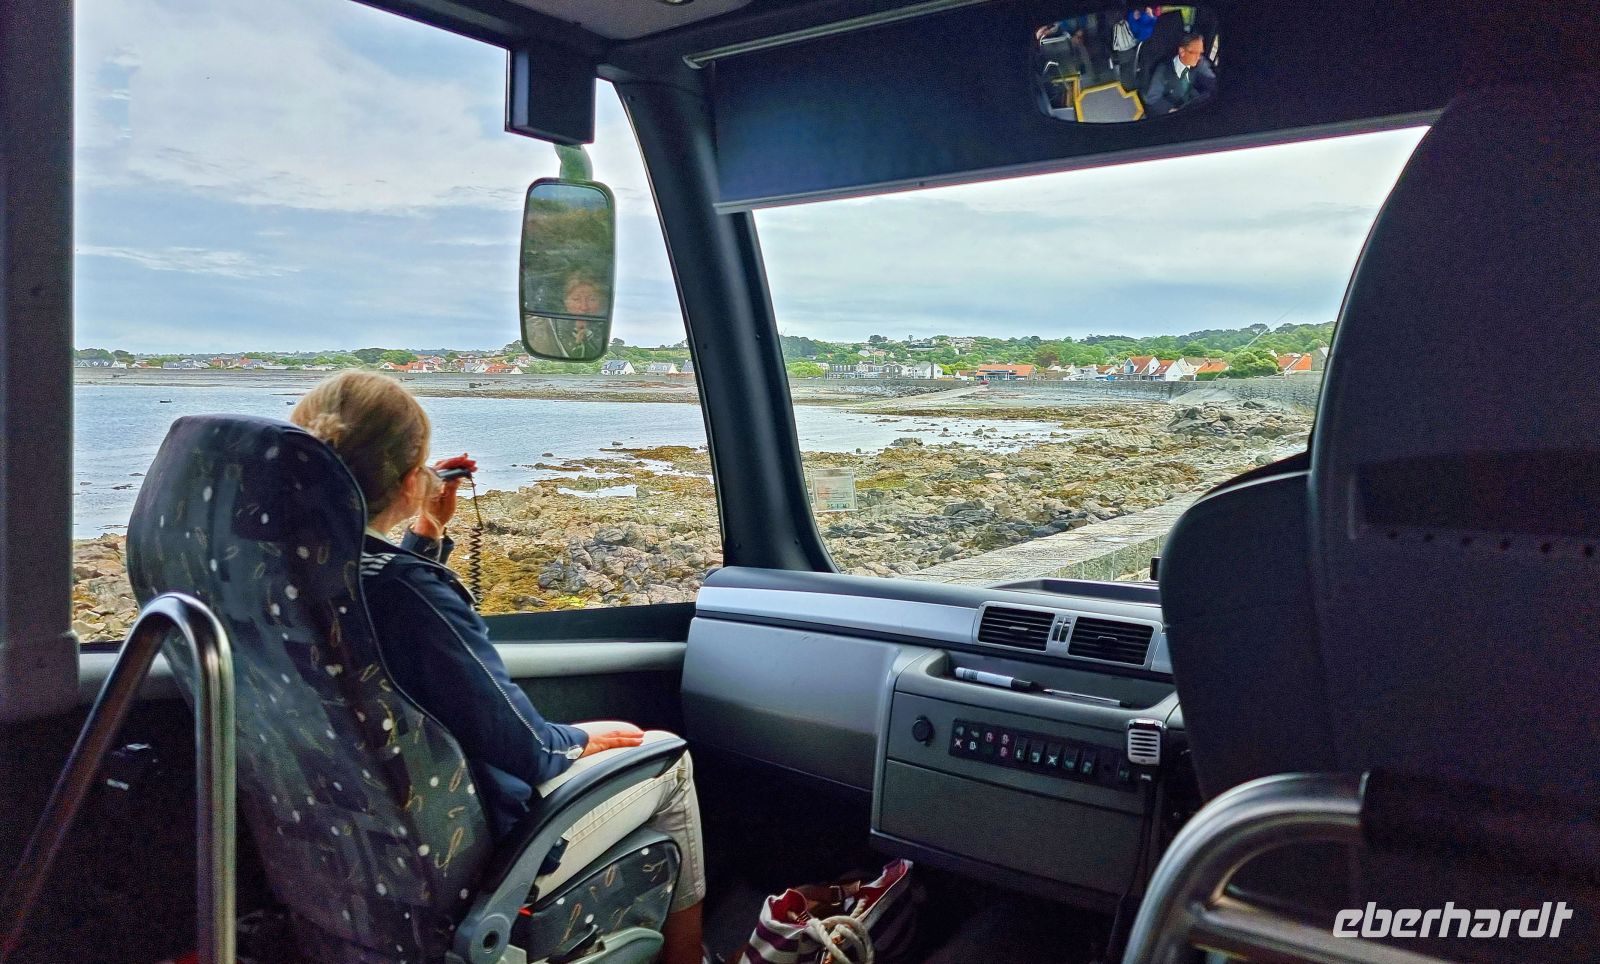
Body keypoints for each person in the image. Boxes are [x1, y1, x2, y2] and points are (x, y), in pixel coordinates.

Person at [289, 371, 709, 964]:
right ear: (411, 482)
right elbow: (527, 749)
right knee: (668, 757)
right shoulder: (405, 591)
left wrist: (427, 532)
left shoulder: (280, 581)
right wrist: (579, 739)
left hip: (341, 851)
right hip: (463, 856)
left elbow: (379, 636)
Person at [1142, 32, 1215, 115]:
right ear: (1182, 51)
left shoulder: (1199, 63)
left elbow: (1212, 80)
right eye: (1195, 53)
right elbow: (1152, 99)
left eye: (1200, 53)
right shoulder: (1163, 71)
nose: (1199, 57)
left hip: (1191, 102)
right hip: (1173, 108)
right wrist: (1171, 111)